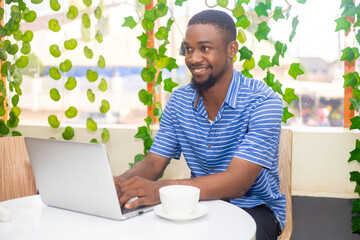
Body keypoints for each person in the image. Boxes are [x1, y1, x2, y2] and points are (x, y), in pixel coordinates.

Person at [114, 9, 285, 240]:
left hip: (254, 209)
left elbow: (237, 183)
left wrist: (158, 190)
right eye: (188, 49)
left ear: (231, 50)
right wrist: (120, 185)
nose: (193, 59)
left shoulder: (264, 102)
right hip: (195, 204)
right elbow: (154, 162)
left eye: (205, 48)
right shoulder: (178, 101)